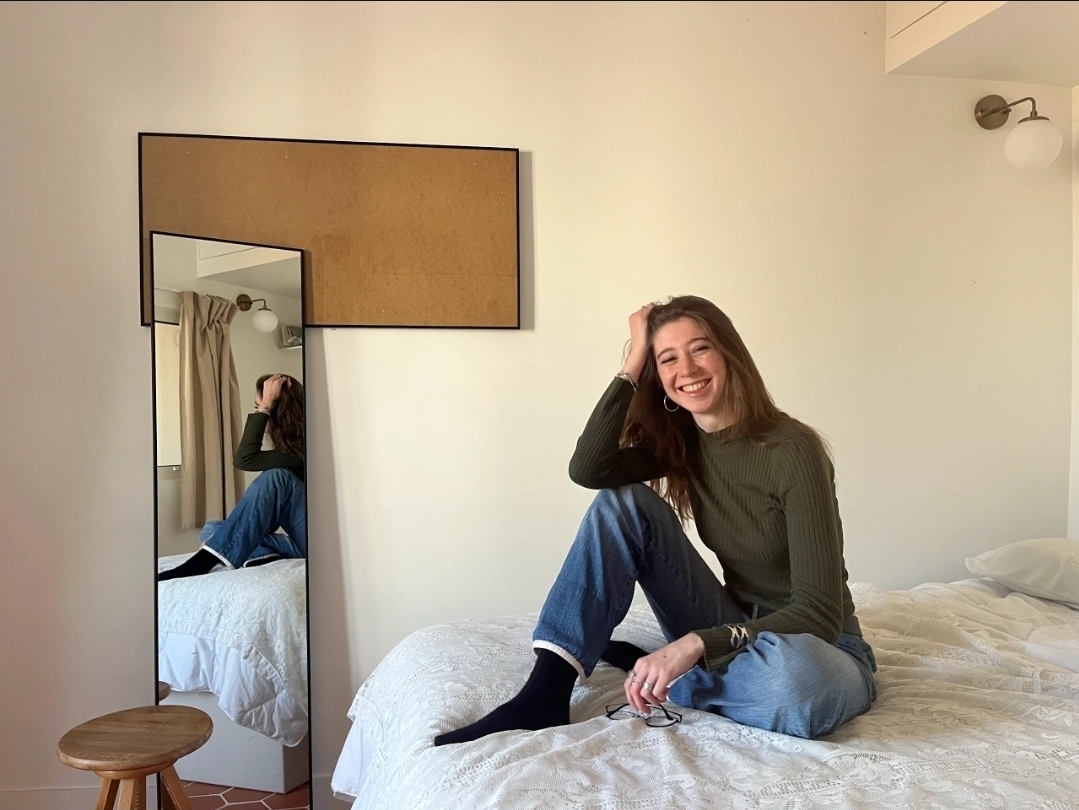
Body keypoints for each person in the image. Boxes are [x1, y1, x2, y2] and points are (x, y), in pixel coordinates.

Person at [435, 296, 876, 746]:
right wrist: (633, 363)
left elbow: (819, 614)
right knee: (622, 502)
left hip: (819, 646)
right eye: (668, 358)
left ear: (730, 354)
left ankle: (679, 679)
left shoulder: (793, 450)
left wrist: (695, 644)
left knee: (797, 687)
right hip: (728, 623)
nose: (687, 368)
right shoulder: (685, 444)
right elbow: (589, 469)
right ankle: (546, 691)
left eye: (700, 348)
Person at [159, 374, 306, 580]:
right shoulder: (288, 451)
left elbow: (245, 459)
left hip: (319, 541)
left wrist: (265, 405)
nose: (257, 412)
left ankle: (200, 563)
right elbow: (269, 515)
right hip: (300, 542)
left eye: (260, 407)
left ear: (277, 412)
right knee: (213, 529)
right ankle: (260, 556)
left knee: (275, 477)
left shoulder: (302, 451)